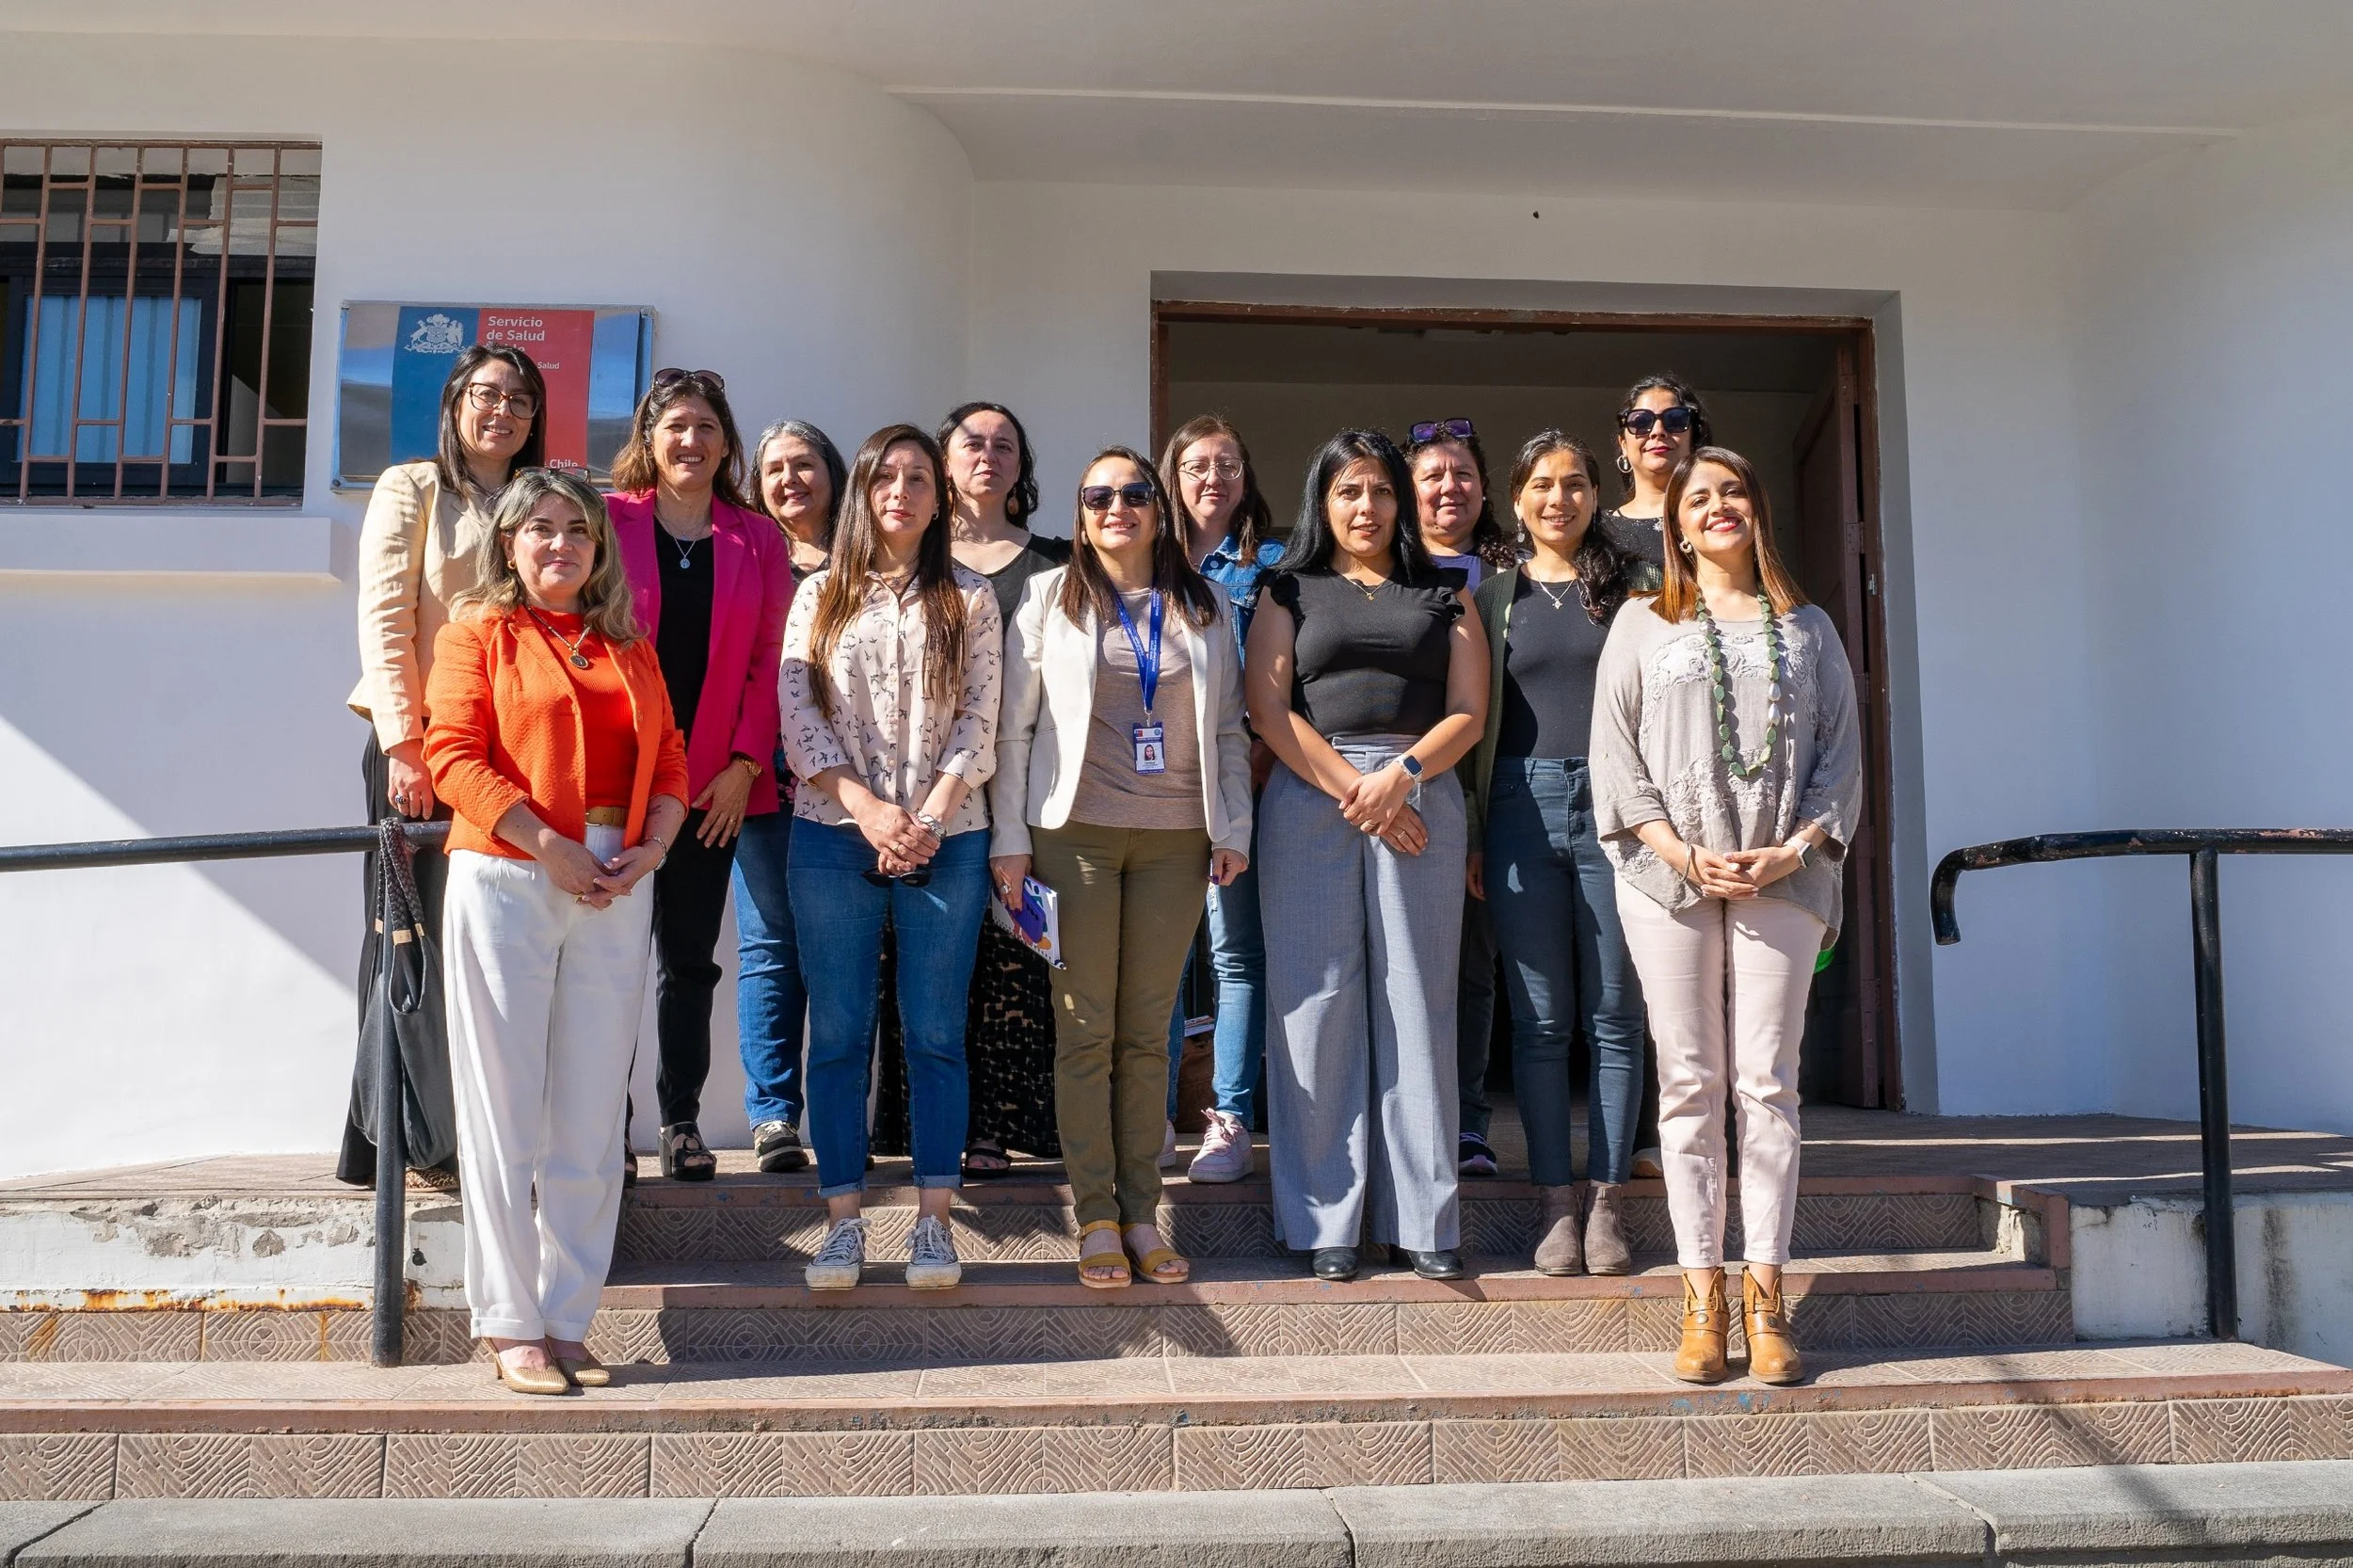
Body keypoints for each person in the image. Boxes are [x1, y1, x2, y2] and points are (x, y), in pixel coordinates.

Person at [1592, 446, 1861, 1386]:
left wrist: (1794, 849)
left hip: (1782, 876)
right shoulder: (1640, 621)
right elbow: (1614, 756)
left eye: (1731, 491)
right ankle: (1701, 1298)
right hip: (1669, 876)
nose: (1715, 506)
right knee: (1688, 1082)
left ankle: (1766, 1297)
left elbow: (1842, 758)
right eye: (1696, 496)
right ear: (1673, 523)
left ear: (1757, 508)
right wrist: (1676, 850)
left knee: (1767, 1084)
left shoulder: (1809, 626)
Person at [424, 468, 689, 1395]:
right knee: (502, 1109)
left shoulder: (629, 645)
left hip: (618, 877)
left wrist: (654, 845)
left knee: (590, 1111)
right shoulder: (476, 633)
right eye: (541, 528)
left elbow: (672, 758)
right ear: (509, 543)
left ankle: (568, 1317)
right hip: (509, 867)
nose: (561, 545)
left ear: (598, 548)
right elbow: (450, 755)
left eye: (578, 531)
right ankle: (509, 1322)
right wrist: (546, 845)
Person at [991, 448, 1253, 1287]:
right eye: (1098, 495)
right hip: (1075, 837)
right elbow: (1013, 730)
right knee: (1085, 1030)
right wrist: (1008, 840)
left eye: (1135, 493)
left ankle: (1143, 1215)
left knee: (1148, 1035)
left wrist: (1233, 827)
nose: (1117, 507)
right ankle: (1095, 1215)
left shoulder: (1205, 602)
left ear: (1158, 508)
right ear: (1079, 512)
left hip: (1178, 838)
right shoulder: (1047, 597)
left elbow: (1228, 728)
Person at [1248, 429, 1489, 1283]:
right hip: (1313, 796)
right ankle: (1328, 1221)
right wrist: (1359, 788)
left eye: (1382, 490)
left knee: (1417, 1002)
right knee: (1316, 1004)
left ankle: (1423, 1218)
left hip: (1419, 793)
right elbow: (1270, 710)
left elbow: (1469, 711)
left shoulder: (1445, 590)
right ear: (1323, 501)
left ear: (1402, 501)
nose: (1367, 506)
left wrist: (1402, 778)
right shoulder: (1287, 588)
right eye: (1348, 490)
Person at [782, 424, 1000, 1291]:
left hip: (949, 837)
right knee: (839, 1032)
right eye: (885, 478)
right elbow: (799, 716)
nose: (900, 493)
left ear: (939, 498)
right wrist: (869, 811)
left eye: (917, 478)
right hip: (833, 833)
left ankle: (934, 1223)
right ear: (862, 493)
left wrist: (929, 819)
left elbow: (980, 717)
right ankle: (842, 1222)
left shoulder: (972, 598)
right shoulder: (820, 595)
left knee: (936, 1032)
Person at [341, 344, 546, 1186]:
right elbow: (386, 618)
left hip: (511, 757)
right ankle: (406, 1137)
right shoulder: (413, 487)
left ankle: (484, 1136)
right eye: (486, 395)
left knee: (489, 945)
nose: (503, 412)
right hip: (422, 749)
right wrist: (404, 744)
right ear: (456, 403)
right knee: (411, 937)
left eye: (521, 400)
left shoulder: (541, 502)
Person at [1463, 432, 1654, 1277]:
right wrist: (1474, 832)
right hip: (1518, 808)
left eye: (1575, 483)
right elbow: (1473, 717)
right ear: (1517, 498)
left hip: (1621, 810)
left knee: (1616, 1014)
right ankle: (1554, 1205)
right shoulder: (1492, 596)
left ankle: (1607, 1203)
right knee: (1540, 1022)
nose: (1559, 498)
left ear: (1595, 495)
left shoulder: (1637, 589)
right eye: (1541, 484)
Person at [607, 370, 792, 1183]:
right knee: (607, 961)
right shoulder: (607, 521)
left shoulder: (758, 539)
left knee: (689, 961)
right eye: (676, 426)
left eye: (706, 427)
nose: (691, 440)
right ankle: (603, 1126)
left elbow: (773, 659)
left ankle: (679, 1122)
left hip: (711, 787)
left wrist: (745, 767)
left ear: (726, 444)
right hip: (615, 781)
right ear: (649, 439)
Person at [916, 400, 1069, 1176]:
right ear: (944, 462)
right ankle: (933, 1129)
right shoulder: (910, 557)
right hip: (928, 797)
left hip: (1031, 791)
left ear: (1021, 465)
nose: (988, 455)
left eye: (1005, 444)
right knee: (937, 970)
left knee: (1017, 964)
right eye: (971, 443)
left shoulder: (1059, 563)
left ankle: (1000, 1129)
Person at [1158, 414, 1283, 1184]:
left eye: (1228, 464)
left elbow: (1287, 682)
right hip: (1164, 792)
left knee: (1237, 956)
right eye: (1198, 465)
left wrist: (1260, 763)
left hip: (1247, 783)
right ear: (1172, 476)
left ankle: (1229, 1118)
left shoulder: (1274, 567)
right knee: (1164, 959)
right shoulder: (1143, 561)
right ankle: (1150, 1116)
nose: (1213, 478)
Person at [731, 420, 849, 1174]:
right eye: (774, 468)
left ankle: (844, 1116)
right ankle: (773, 1115)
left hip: (852, 783)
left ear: (833, 474)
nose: (788, 480)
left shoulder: (868, 558)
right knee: (769, 946)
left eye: (804, 464)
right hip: (759, 774)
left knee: (844, 950)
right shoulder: (746, 555)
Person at [1403, 418, 1516, 1181]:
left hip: (1493, 793)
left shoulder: (1515, 575)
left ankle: (1469, 1122)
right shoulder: (1386, 568)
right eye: (1432, 476)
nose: (1449, 488)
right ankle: (1412, 1123)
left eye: (1464, 474)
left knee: (1474, 969)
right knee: (1409, 969)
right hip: (1401, 790)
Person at [1599, 374, 1712, 571]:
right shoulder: (1598, 532)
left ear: (1694, 439)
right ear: (1624, 445)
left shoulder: (1717, 518)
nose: (1657, 431)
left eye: (1675, 419)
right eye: (1641, 422)